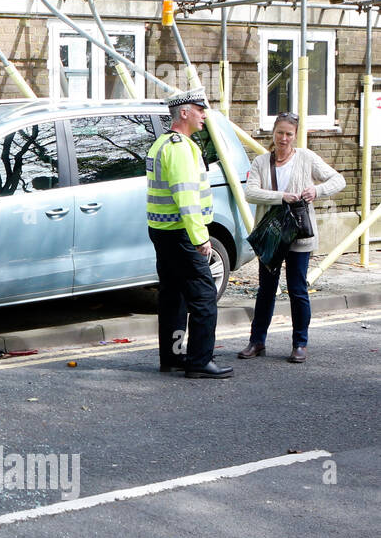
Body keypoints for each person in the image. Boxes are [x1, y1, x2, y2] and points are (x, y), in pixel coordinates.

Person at [238, 112, 344, 364]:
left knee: (297, 290)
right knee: (266, 290)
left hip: (299, 235)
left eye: (289, 134)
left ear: (295, 136)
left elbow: (338, 180)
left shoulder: (306, 158)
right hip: (272, 235)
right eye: (279, 133)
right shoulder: (261, 162)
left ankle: (300, 344)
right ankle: (257, 341)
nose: (283, 139)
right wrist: (281, 196)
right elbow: (250, 193)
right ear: (273, 133)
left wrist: (316, 190)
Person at [146, 89, 233, 379]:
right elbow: (187, 199)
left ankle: (172, 357)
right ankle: (199, 361)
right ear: (184, 112)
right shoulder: (181, 147)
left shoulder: (161, 144)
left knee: (173, 297)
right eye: (200, 109)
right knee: (204, 297)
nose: (204, 115)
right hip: (183, 234)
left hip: (162, 232)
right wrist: (201, 239)